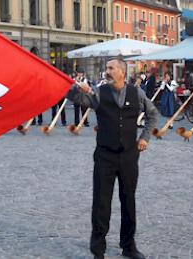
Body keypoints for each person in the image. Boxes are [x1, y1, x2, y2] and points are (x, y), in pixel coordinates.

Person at [67, 58, 157, 259]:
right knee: (101, 201)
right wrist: (75, 89)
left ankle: (128, 246)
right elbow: (78, 100)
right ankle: (98, 247)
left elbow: (152, 114)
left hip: (128, 156)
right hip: (104, 155)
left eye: (111, 68)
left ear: (122, 72)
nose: (107, 71)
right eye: (106, 68)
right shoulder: (100, 93)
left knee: (128, 200)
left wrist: (145, 137)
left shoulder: (137, 93)